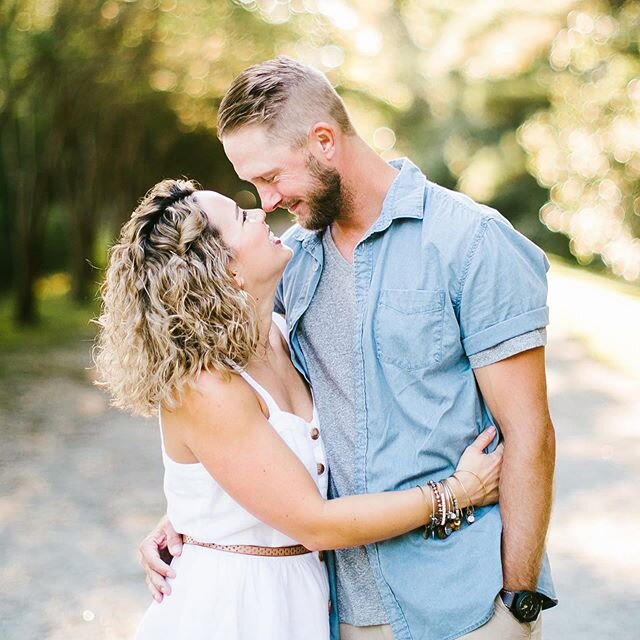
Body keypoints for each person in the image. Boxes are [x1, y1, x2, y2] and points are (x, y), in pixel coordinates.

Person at [140, 57, 558, 640]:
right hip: (339, 610)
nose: (264, 202)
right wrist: (198, 512)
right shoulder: (295, 261)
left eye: (270, 177)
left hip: (464, 604)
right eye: (252, 187)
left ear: (324, 141)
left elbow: (530, 431)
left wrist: (518, 601)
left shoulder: (470, 241)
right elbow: (254, 424)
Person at [94, 179, 503, 640]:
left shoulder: (286, 336)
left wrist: (185, 518)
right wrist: (457, 492)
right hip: (232, 612)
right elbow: (315, 524)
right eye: (242, 217)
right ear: (222, 269)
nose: (261, 212)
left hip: (301, 603)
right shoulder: (204, 386)